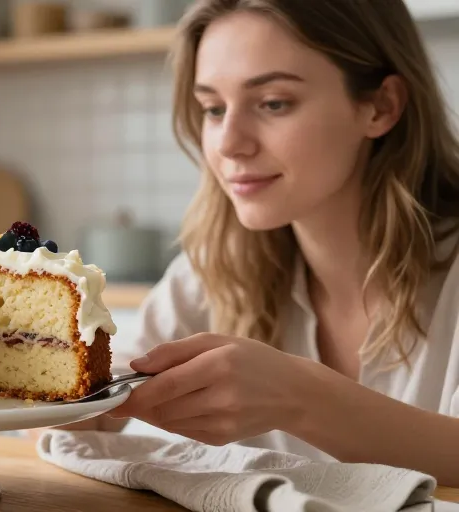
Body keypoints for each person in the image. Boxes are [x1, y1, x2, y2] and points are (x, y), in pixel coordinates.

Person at [59, 0, 459, 486]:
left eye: (273, 103)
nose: (229, 143)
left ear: (381, 106)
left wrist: (299, 396)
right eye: (212, 108)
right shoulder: (213, 268)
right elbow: (92, 407)